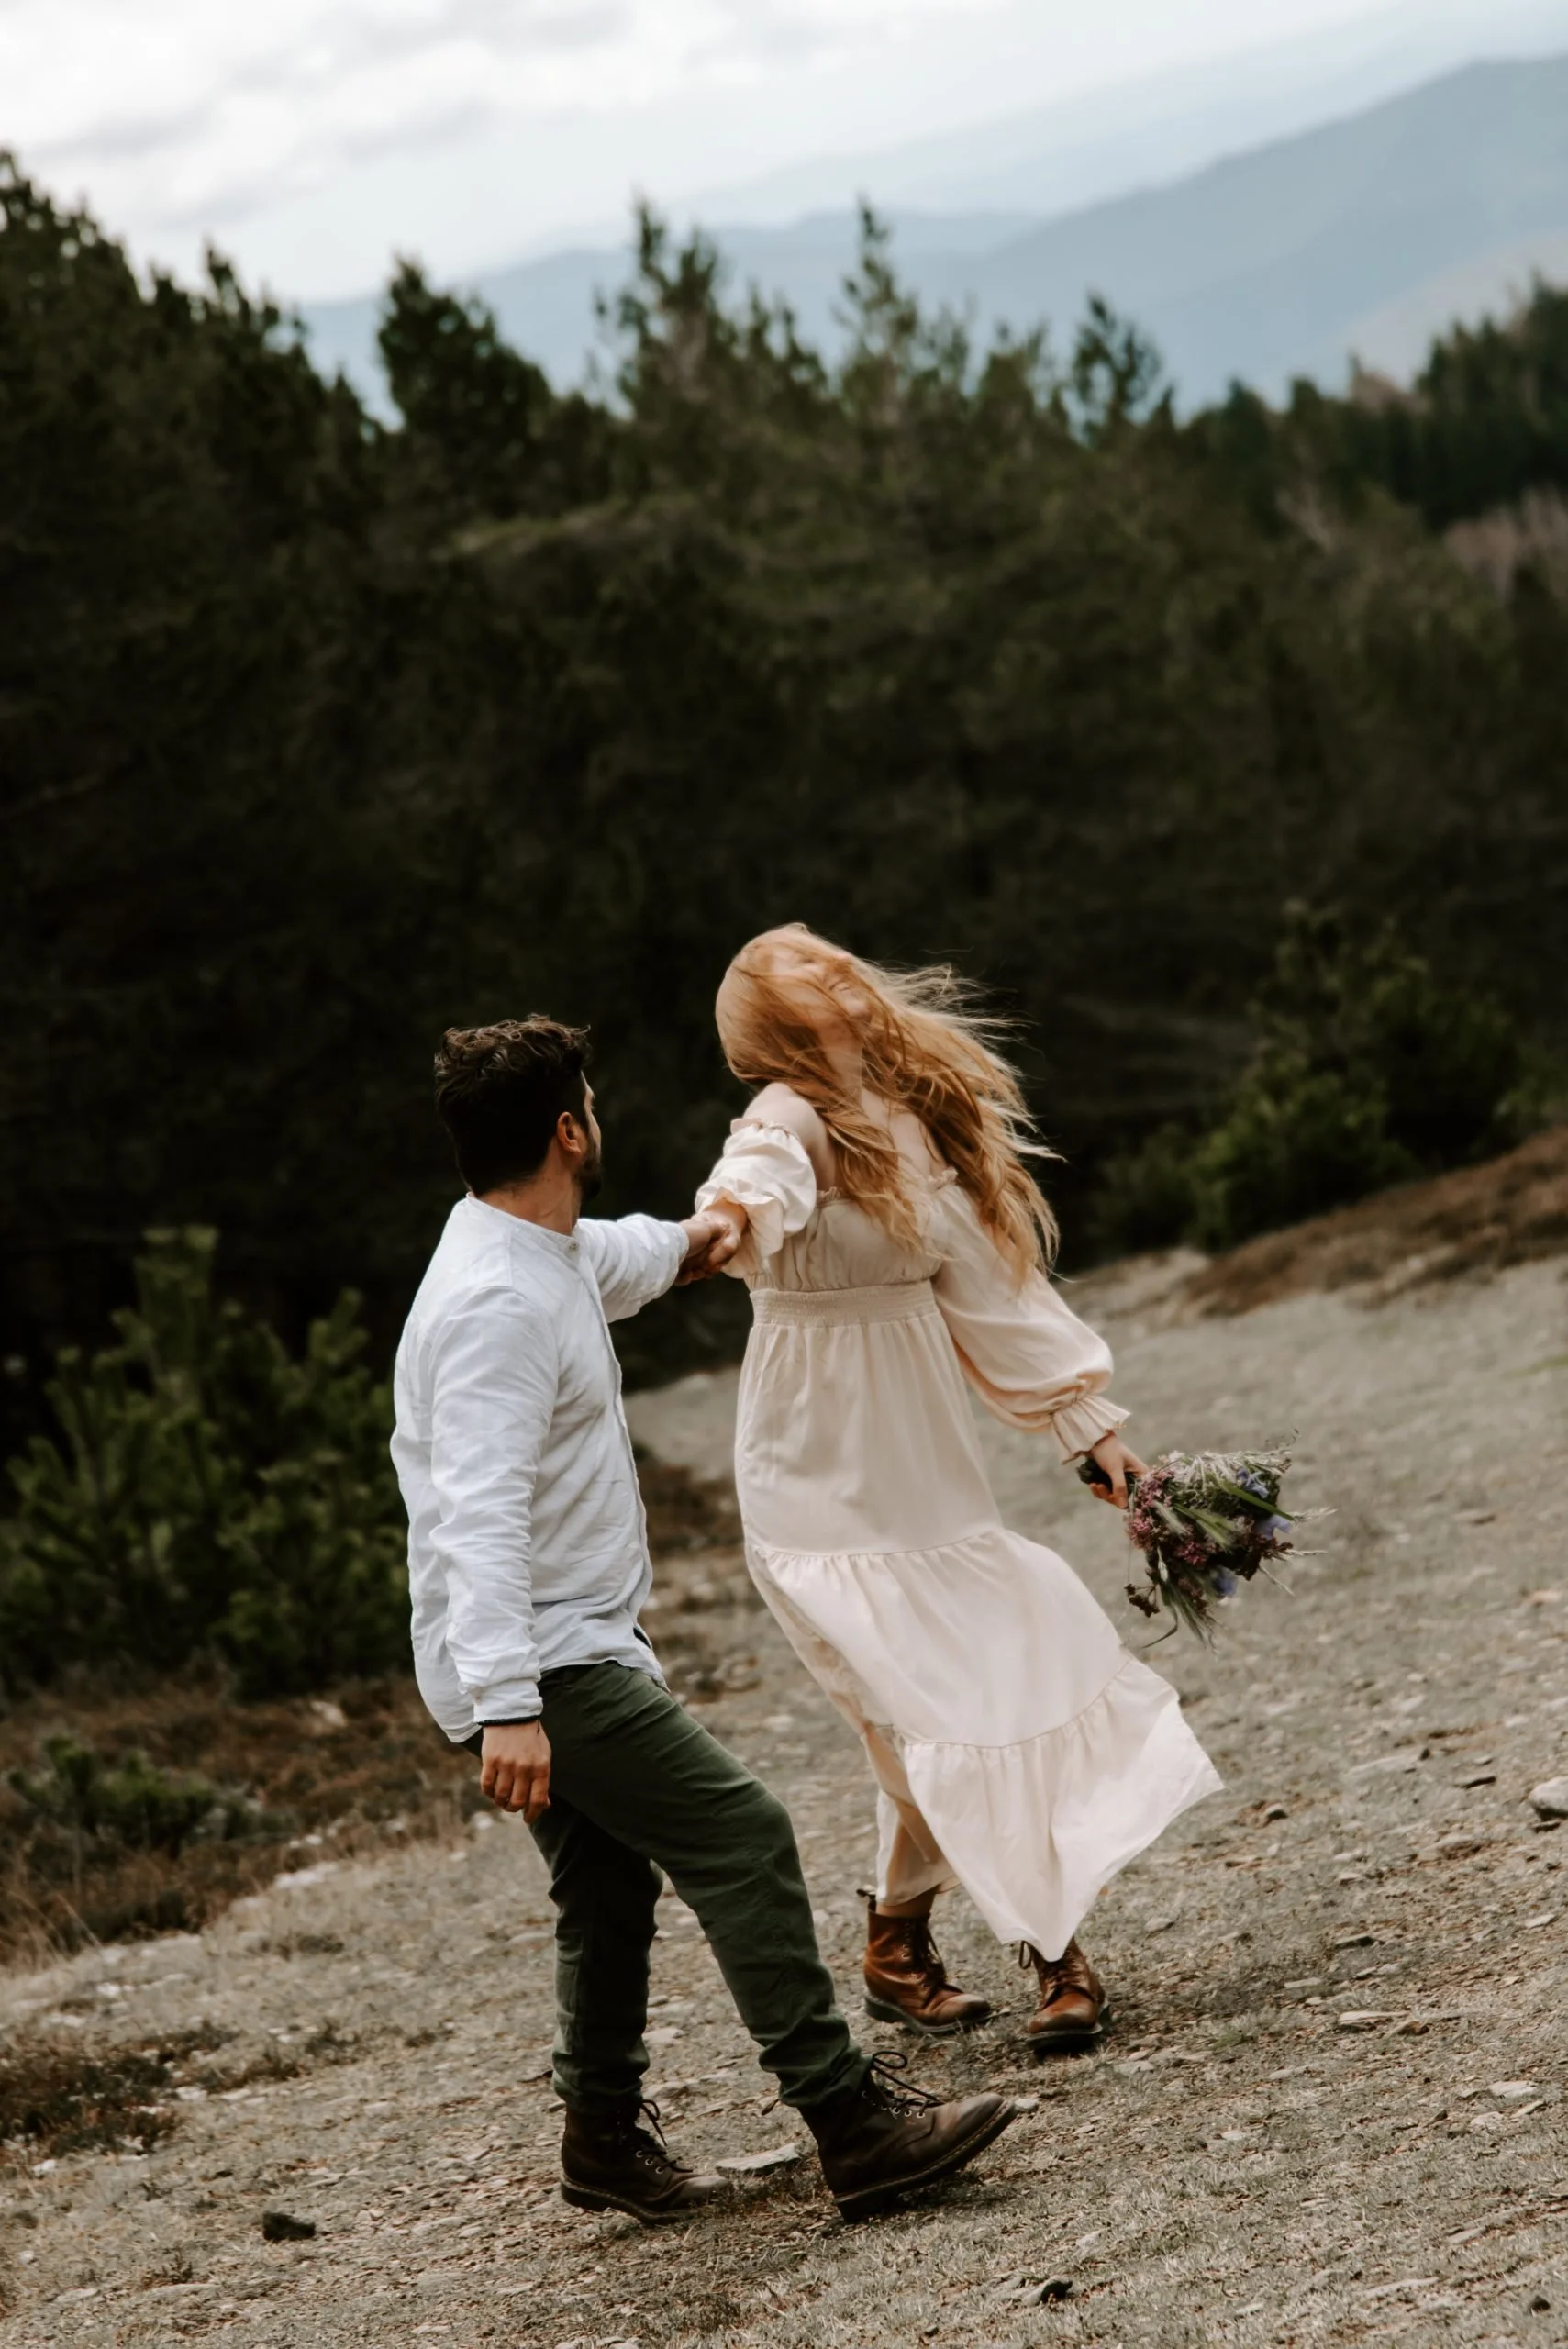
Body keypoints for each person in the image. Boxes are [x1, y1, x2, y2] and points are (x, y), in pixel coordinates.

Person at [391, 1016, 1017, 2224]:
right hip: (543, 1663)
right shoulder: (493, 1308)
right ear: (571, 1130)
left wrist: (727, 1221)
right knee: (743, 1833)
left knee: (610, 1895)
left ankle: (604, 2147)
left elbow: (656, 1253)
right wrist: (512, 1708)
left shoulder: (543, 1252)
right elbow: (473, 1523)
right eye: (594, 1101)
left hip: (550, 1654)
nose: (601, 1118)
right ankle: (853, 2125)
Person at [694, 930, 1220, 2049]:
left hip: (923, 1473)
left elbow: (990, 1291)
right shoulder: (784, 1116)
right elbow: (754, 1181)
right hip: (812, 1479)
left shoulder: (909, 1121)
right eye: (812, 981)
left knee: (984, 1692)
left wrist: (1088, 1429)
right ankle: (1053, 1953)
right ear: (777, 1028)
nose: (844, 981)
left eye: (839, 965)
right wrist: (723, 1223)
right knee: (929, 1724)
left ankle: (894, 1938)